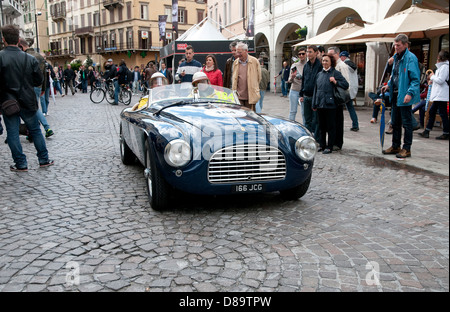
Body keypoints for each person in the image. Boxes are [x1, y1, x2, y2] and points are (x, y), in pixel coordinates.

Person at [0, 24, 54, 171]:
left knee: (12, 133)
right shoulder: (30, 59)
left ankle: (21, 163)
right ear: (18, 40)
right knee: (35, 130)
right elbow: (38, 81)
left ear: (3, 39)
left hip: (8, 101)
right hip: (27, 99)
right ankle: (44, 159)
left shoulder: (1, 57)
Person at [381, 34, 421, 158]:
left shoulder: (410, 58)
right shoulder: (396, 58)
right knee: (395, 122)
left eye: (398, 45)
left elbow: (415, 79)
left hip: (404, 95)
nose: (396, 47)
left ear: (405, 45)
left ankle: (406, 148)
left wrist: (410, 93)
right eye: (395, 45)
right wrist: (388, 85)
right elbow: (395, 75)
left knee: (407, 123)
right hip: (395, 94)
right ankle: (395, 145)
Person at [312, 53, 349, 154]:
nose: (324, 63)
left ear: (331, 62)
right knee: (321, 126)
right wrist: (314, 103)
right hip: (320, 104)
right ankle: (322, 144)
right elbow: (316, 89)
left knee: (331, 126)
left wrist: (335, 81)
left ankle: (330, 146)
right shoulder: (319, 74)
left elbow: (345, 84)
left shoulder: (335, 73)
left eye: (326, 61)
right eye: (323, 61)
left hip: (331, 104)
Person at [18, 37, 54, 139]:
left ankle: (45, 128)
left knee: (33, 109)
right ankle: (34, 130)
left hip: (28, 87)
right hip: (38, 86)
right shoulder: (39, 56)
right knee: (34, 108)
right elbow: (43, 75)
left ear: (21, 46)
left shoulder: (24, 56)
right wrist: (43, 88)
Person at [418, 50, 449, 140]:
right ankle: (427, 131)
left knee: (441, 113)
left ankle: (445, 132)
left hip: (441, 95)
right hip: (439, 95)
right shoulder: (443, 67)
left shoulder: (444, 67)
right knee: (433, 112)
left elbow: (440, 80)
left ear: (441, 58)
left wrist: (432, 76)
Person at [300, 45, 323, 141]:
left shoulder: (320, 65)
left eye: (310, 52)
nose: (308, 54)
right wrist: (301, 94)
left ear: (316, 52)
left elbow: (320, 82)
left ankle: (317, 140)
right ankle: (308, 139)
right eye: (307, 52)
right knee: (307, 120)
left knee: (316, 120)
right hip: (306, 96)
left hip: (315, 97)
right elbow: (304, 80)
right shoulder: (306, 65)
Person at [231, 42, 261, 112]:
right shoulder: (235, 62)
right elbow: (234, 78)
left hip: (250, 96)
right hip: (238, 96)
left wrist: (253, 87)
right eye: (237, 52)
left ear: (246, 51)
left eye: (240, 52)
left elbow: (259, 78)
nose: (238, 54)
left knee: (250, 116)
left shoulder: (254, 61)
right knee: (240, 115)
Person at [339, 50, 360, 131]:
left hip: (346, 89)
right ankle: (355, 124)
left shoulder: (343, 65)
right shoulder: (352, 65)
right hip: (352, 90)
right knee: (350, 107)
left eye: (340, 57)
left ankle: (340, 125)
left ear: (343, 57)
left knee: (340, 108)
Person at [288, 47, 307, 121]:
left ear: (306, 54)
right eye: (299, 54)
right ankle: (291, 127)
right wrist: (292, 77)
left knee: (304, 112)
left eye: (303, 54)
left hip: (304, 92)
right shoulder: (294, 65)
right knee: (293, 111)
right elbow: (289, 80)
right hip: (294, 90)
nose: (301, 55)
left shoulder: (308, 65)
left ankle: (305, 129)